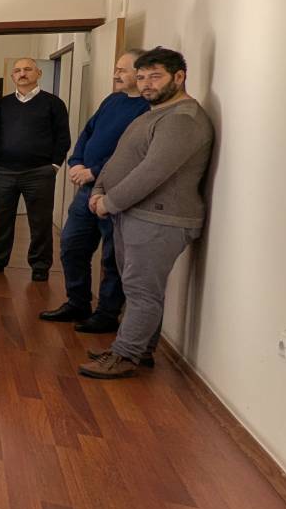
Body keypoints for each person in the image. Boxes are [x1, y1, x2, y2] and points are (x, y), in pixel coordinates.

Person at [79, 48, 215, 380]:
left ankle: (125, 354)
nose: (146, 84)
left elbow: (151, 173)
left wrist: (109, 202)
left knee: (141, 291)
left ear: (179, 77)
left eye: (155, 76)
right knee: (137, 288)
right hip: (135, 215)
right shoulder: (154, 113)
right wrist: (99, 189)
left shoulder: (183, 119)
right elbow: (120, 159)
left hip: (159, 218)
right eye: (141, 77)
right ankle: (141, 349)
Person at [40, 50, 149, 332]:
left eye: (122, 70)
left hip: (118, 192)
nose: (116, 74)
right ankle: (78, 302)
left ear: (141, 72)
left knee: (113, 257)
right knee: (71, 245)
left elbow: (134, 154)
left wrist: (95, 171)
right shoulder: (113, 100)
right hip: (87, 189)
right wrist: (76, 162)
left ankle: (107, 314)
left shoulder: (147, 109)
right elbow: (87, 132)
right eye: (116, 69)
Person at [0, 57, 70, 281]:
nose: (22, 73)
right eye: (18, 70)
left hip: (39, 173)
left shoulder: (54, 103)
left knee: (40, 222)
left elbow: (63, 137)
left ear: (38, 73)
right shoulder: (1, 105)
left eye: (28, 69)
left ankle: (40, 266)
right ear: (12, 76)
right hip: (2, 172)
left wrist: (54, 165)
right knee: (0, 220)